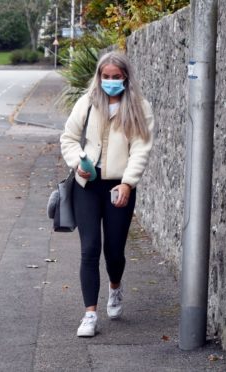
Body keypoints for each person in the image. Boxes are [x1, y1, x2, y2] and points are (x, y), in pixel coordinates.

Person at [60, 51, 155, 337]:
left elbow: (141, 148)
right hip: (86, 185)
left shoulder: (140, 107)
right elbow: (68, 138)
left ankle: (115, 287)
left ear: (126, 77)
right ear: (99, 77)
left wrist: (128, 183)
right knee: (89, 249)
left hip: (118, 187)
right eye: (106, 77)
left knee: (114, 251)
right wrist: (79, 163)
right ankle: (89, 314)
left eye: (116, 77)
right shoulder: (87, 103)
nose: (110, 82)